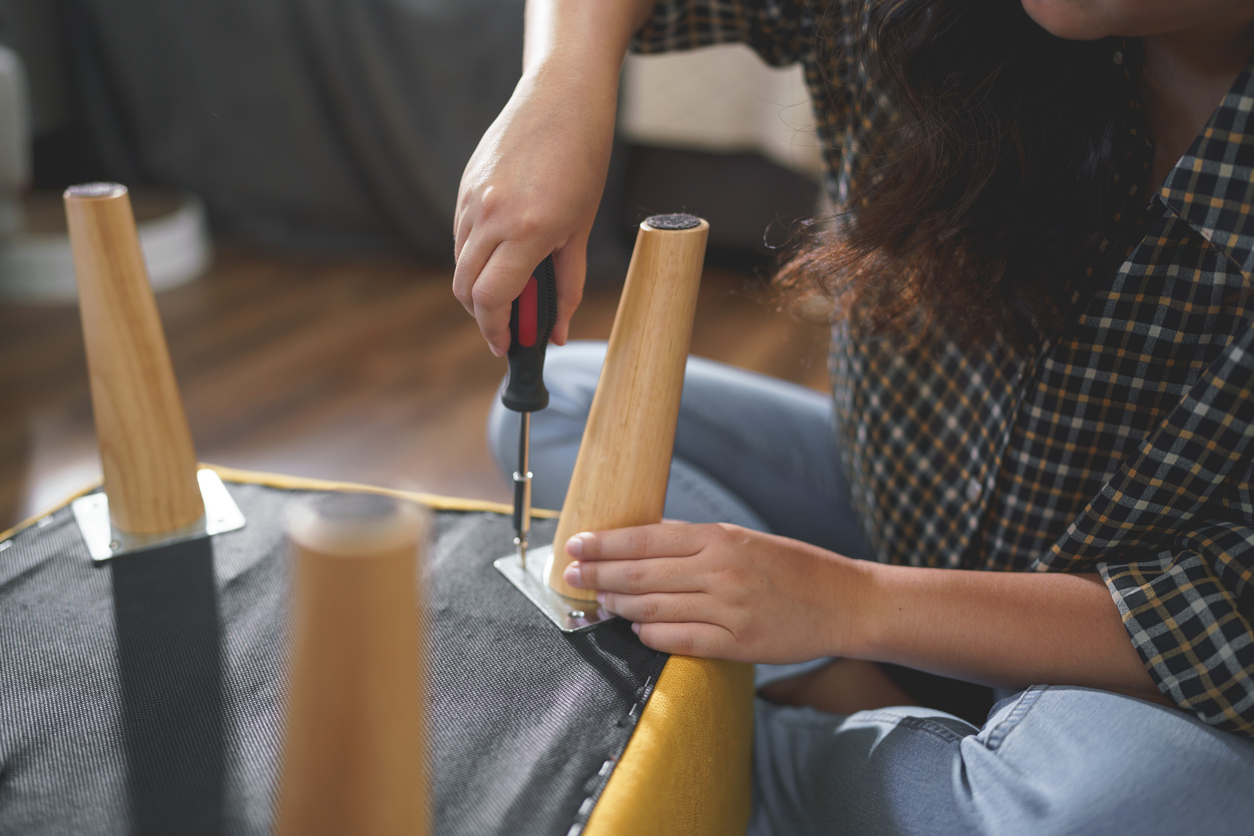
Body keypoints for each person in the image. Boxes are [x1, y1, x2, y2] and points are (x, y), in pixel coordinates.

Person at [455, 1, 1254, 833]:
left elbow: (1232, 617)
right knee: (577, 405)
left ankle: (751, 757)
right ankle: (849, 719)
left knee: (1141, 811)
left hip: (1133, 680)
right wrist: (558, 87)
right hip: (904, 522)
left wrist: (848, 604)